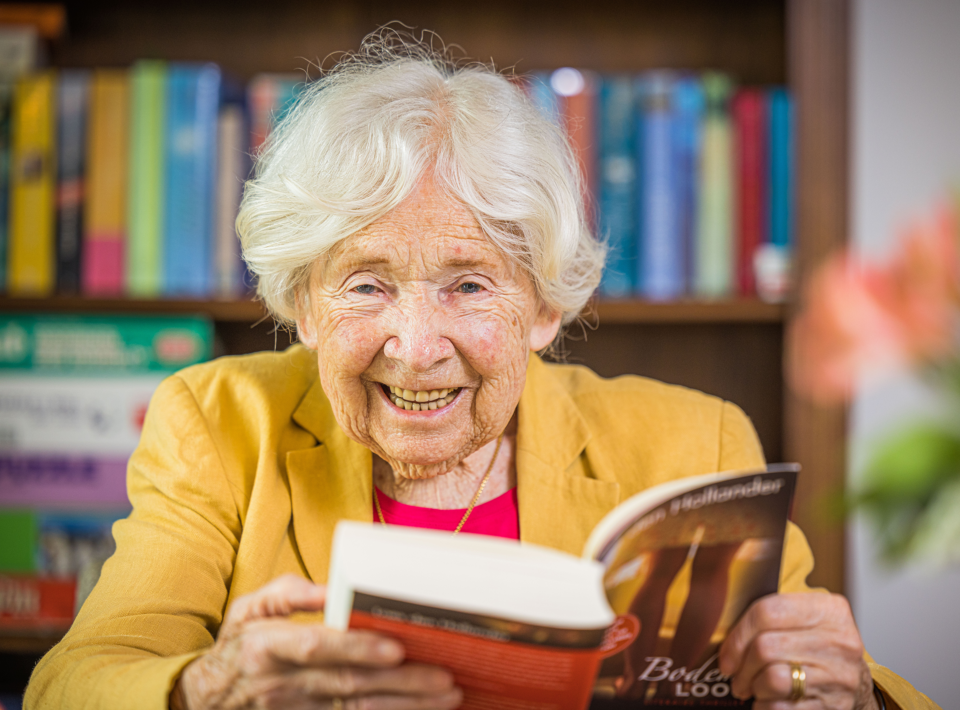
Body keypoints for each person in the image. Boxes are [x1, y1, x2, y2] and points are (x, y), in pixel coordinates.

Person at [26, 34, 938, 710]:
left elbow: (827, 668)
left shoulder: (692, 442)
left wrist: (847, 693)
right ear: (303, 305)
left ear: (545, 307)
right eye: (366, 285)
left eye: (469, 285)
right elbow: (73, 681)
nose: (416, 346)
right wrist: (203, 688)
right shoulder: (217, 425)